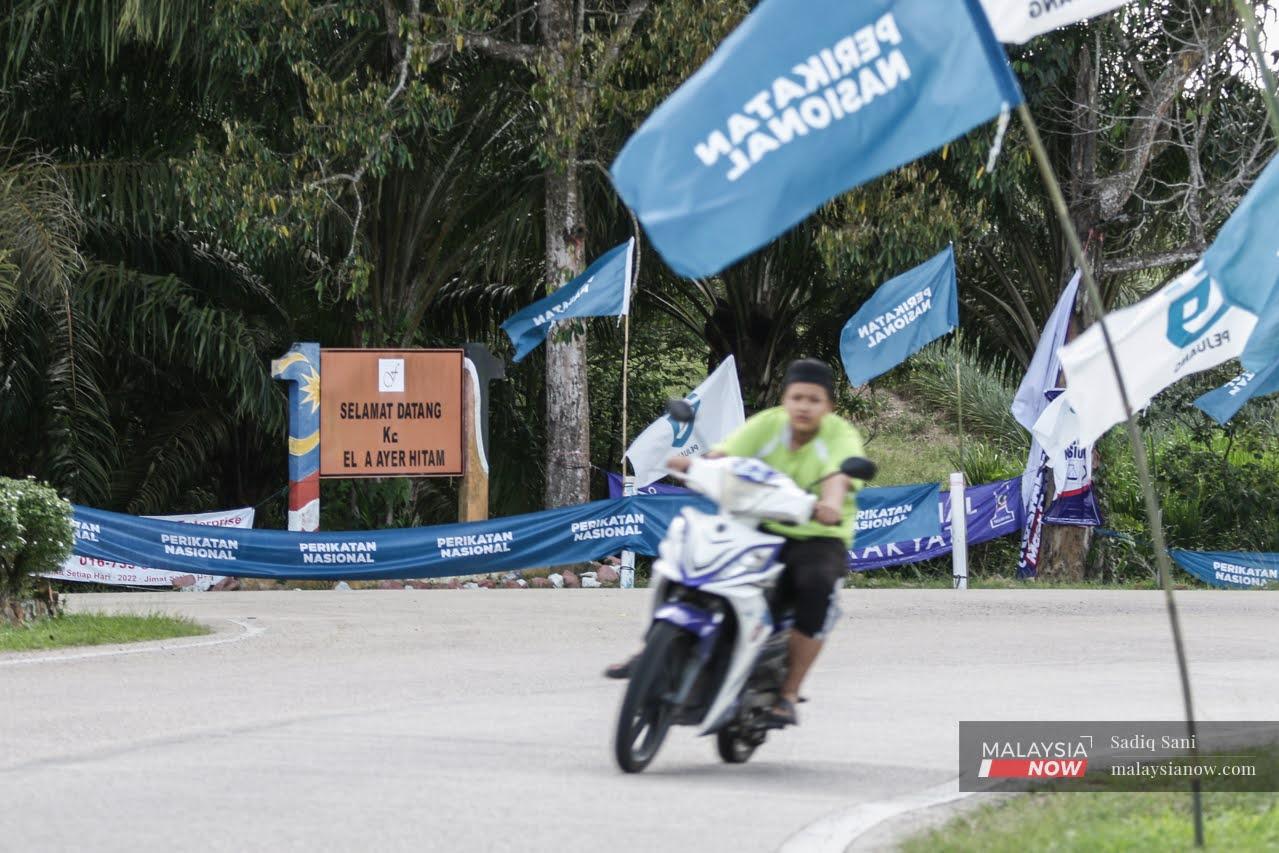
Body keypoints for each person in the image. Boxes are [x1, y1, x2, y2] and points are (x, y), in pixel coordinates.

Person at [604, 358, 865, 727]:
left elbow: (837, 477)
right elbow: (725, 454)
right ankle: (649, 650)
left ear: (830, 406)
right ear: (785, 399)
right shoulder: (769, 424)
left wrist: (830, 505)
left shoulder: (840, 436)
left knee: (814, 589)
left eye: (814, 400)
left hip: (818, 536)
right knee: (685, 559)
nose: (804, 406)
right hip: (756, 522)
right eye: (797, 398)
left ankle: (788, 694)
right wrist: (694, 465)